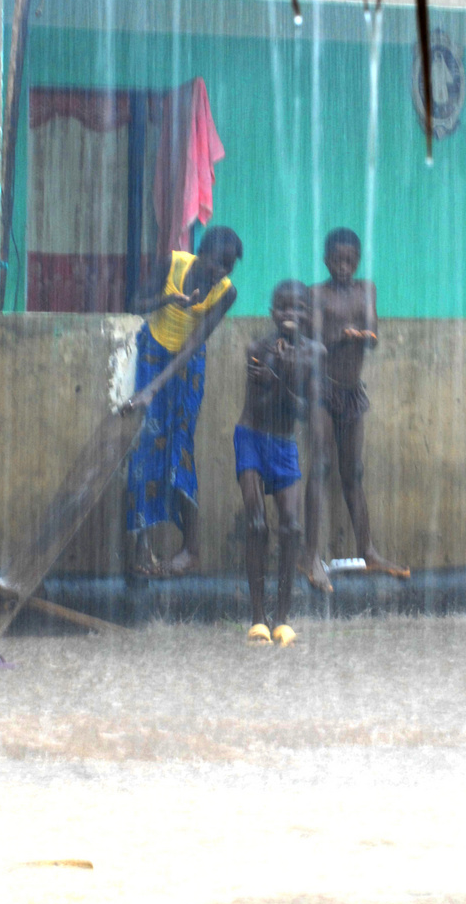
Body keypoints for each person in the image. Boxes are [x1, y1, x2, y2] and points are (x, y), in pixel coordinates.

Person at [126, 226, 243, 576]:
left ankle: (191, 549)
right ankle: (142, 547)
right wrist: (168, 300)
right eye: (216, 262)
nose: (220, 271)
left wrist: (153, 389)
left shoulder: (227, 292)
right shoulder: (173, 265)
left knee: (180, 448)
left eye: (228, 266)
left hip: (187, 366)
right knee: (145, 447)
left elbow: (193, 345)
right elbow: (135, 303)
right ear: (200, 253)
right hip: (152, 353)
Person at [300, 228, 410, 581]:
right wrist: (338, 338)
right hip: (322, 390)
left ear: (358, 260)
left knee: (353, 474)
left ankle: (368, 550)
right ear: (326, 260)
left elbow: (373, 336)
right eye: (336, 260)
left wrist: (363, 336)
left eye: (349, 260)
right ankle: (310, 556)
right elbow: (308, 343)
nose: (343, 266)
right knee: (319, 468)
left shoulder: (367, 289)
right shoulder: (316, 293)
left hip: (351, 393)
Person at [234, 280, 327, 646]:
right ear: (272, 313)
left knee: (291, 528)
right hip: (252, 440)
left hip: (284, 445)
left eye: (298, 308)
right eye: (283, 308)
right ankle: (258, 618)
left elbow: (304, 411)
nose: (290, 314)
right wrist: (276, 373)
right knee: (257, 524)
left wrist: (284, 377)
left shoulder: (315, 354)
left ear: (308, 314)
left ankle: (282, 619)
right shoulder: (257, 349)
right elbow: (258, 406)